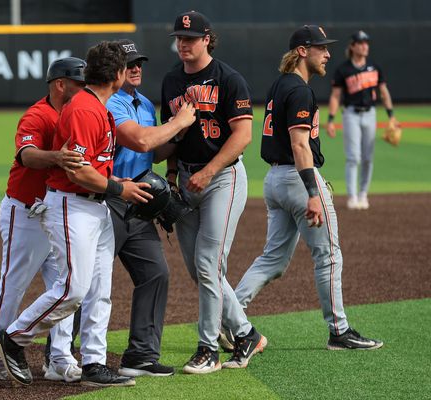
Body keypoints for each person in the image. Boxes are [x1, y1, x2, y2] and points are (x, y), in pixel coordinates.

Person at [0, 41, 153, 388]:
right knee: (73, 289)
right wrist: (119, 189)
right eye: (128, 66)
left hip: (94, 206)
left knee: (99, 289)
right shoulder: (84, 109)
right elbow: (77, 173)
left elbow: (91, 167)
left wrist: (113, 181)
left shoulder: (99, 107)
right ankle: (13, 338)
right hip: (72, 204)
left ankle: (94, 363)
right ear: (118, 74)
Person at [234, 25, 383, 351]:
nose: (328, 53)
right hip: (299, 178)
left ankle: (228, 317)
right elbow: (300, 145)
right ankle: (339, 332)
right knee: (328, 256)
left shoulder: (279, 85)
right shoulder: (300, 90)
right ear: (302, 51)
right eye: (321, 47)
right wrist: (313, 194)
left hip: (273, 181)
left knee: (272, 259)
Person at [161, 10, 266, 374]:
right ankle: (245, 332)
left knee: (208, 264)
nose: (184, 43)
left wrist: (208, 171)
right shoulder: (172, 81)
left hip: (223, 178)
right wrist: (172, 174)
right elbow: (171, 138)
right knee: (199, 269)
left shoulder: (229, 79)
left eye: (191, 38)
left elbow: (243, 136)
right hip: (187, 180)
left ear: (208, 39)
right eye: (180, 38)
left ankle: (208, 349)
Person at [0, 57, 87, 383]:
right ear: (60, 84)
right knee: (14, 282)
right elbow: (26, 154)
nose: (83, 90)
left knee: (65, 286)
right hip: (24, 212)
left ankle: (59, 358)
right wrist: (56, 157)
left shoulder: (76, 114)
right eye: (78, 84)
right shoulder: (38, 115)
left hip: (53, 212)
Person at [105, 39, 196, 378]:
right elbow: (140, 140)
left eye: (139, 62)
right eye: (129, 63)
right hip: (110, 197)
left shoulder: (143, 103)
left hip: (141, 200)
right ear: (115, 69)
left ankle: (140, 355)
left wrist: (181, 131)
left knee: (155, 273)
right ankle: (62, 351)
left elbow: (153, 150)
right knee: (89, 280)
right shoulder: (109, 102)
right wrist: (179, 120)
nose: (136, 68)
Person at [326, 30, 399, 210]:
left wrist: (392, 116)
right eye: (360, 43)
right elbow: (336, 96)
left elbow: (384, 92)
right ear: (352, 46)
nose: (365, 46)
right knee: (353, 157)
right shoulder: (343, 70)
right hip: (350, 114)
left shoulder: (374, 68)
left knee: (367, 158)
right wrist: (330, 120)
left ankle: (363, 194)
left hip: (370, 114)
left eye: (366, 42)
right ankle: (352, 196)